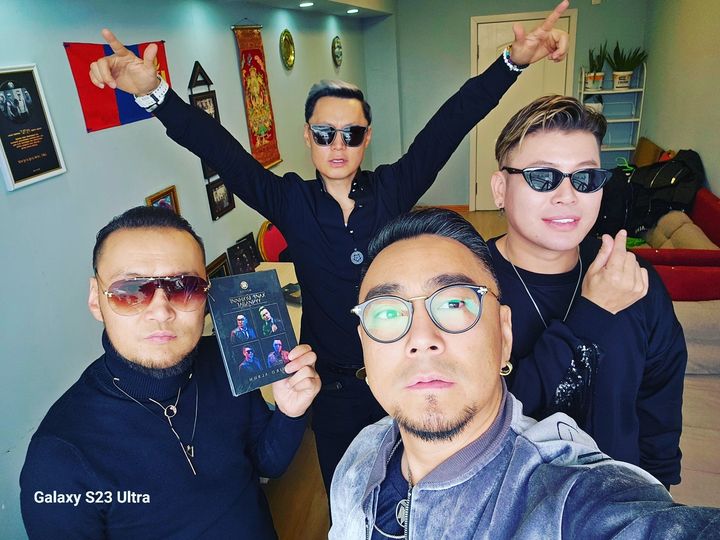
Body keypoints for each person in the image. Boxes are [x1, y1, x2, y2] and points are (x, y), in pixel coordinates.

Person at [88, 1, 570, 494]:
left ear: (367, 138)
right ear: (308, 136)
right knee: (348, 492)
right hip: (334, 389)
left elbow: (450, 124)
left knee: (426, 486)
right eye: (324, 134)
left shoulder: (392, 189)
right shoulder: (289, 200)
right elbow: (220, 151)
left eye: (351, 134)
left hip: (402, 373)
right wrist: (155, 94)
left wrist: (511, 63)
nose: (338, 146)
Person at [330, 208, 720, 538]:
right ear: (365, 346)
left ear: (504, 334)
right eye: (387, 312)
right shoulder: (361, 456)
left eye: (454, 304)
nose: (421, 338)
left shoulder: (567, 496)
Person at [19, 206, 321, 539]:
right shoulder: (59, 457)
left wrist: (290, 413)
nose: (161, 311)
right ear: (96, 299)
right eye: (130, 291)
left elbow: (267, 464)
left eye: (184, 287)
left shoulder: (226, 360)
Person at [486, 95, 686, 488]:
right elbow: (491, 416)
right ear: (499, 188)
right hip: (512, 502)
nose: (568, 196)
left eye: (585, 178)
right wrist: (591, 316)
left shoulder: (633, 278)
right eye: (542, 177)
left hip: (619, 497)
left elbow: (658, 403)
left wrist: (656, 493)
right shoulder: (469, 286)